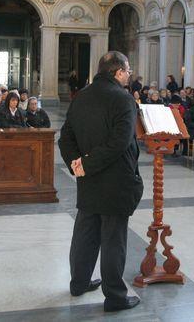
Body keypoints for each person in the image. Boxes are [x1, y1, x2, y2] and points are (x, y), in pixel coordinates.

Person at [58, 51, 142, 312]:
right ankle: (116, 296)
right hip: (116, 180)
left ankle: (79, 283)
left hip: (88, 180)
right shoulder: (123, 99)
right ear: (118, 72)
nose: (129, 75)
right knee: (113, 239)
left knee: (85, 233)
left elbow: (65, 138)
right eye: (127, 71)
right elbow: (119, 142)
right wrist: (87, 164)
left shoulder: (81, 96)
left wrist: (78, 164)